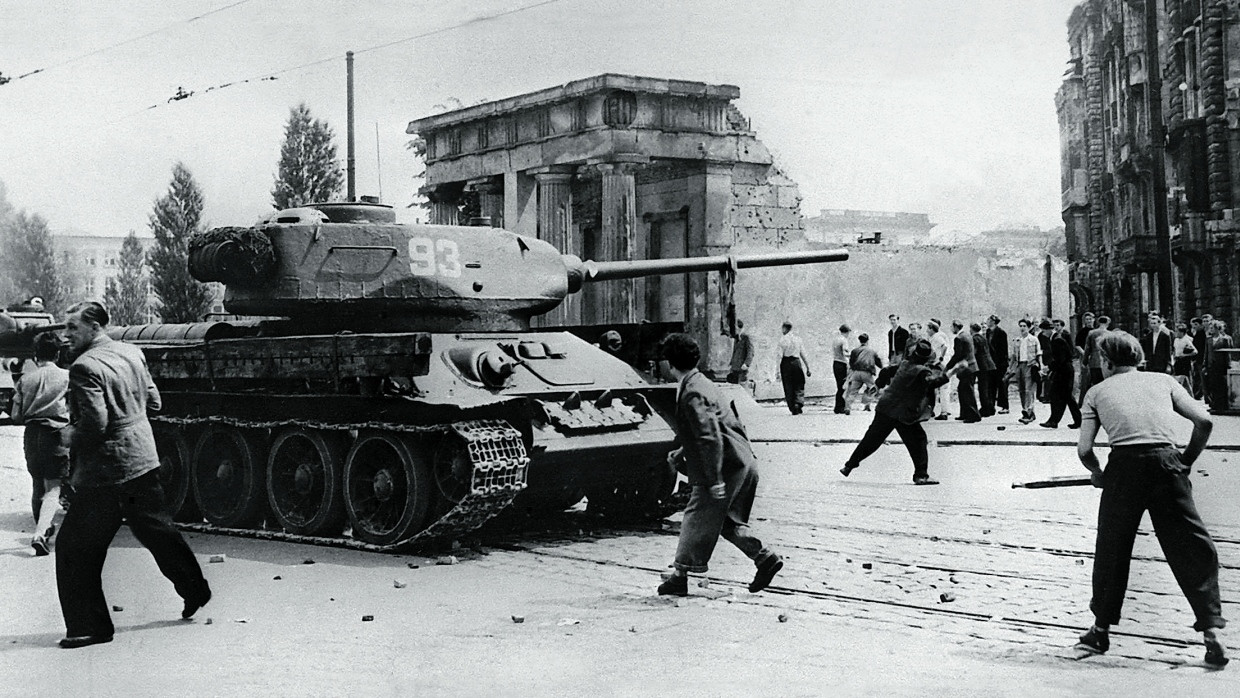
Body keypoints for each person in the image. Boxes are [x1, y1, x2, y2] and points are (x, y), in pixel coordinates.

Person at [55, 301, 211, 649]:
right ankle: (195, 589)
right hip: (143, 458)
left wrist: (69, 435)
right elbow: (154, 403)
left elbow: (95, 424)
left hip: (106, 471)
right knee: (155, 528)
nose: (65, 336)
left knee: (74, 547)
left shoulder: (84, 367)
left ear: (94, 327)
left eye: (72, 328)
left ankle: (90, 627)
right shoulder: (131, 352)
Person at [1075, 331, 1227, 666]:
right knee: (1192, 545)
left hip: (1123, 471)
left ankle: (1100, 629)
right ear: (1138, 358)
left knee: (1112, 549)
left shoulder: (1096, 392)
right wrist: (1185, 460)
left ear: (1107, 361)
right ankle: (1212, 631)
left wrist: (1098, 472)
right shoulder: (1164, 380)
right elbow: (1204, 420)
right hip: (1167, 464)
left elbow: (1085, 450)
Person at [656, 333, 782, 597]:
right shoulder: (702, 382)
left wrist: (713, 480)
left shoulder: (691, 392)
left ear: (669, 363)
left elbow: (709, 437)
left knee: (695, 515)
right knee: (722, 520)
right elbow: (714, 428)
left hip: (725, 466)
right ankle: (765, 558)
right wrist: (681, 452)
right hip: (740, 459)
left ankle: (679, 577)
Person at [840, 338, 949, 485]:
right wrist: (951, 372)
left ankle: (849, 465)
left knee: (872, 439)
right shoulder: (922, 371)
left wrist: (878, 385)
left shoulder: (904, 364)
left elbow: (886, 370)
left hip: (885, 407)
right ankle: (921, 476)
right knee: (918, 439)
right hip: (903, 413)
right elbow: (932, 383)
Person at [10, 333, 69, 556]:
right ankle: (40, 534)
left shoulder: (25, 379)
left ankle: (42, 528)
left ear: (36, 355)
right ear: (57, 353)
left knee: (37, 484)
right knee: (53, 487)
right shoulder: (67, 377)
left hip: (32, 434)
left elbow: (16, 415)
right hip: (55, 434)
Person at [1041, 318, 1081, 429]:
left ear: (1048, 330)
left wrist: (1049, 368)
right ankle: (1054, 421)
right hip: (1063, 370)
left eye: (1044, 331)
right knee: (1059, 396)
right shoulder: (1055, 338)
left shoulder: (1056, 340)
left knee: (1065, 396)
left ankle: (1076, 421)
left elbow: (1061, 359)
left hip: (1064, 371)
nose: (1043, 334)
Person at [945, 320, 980, 423]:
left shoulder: (959, 338)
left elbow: (957, 355)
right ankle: (964, 413)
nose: (951, 329)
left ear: (956, 327)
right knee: (962, 389)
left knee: (967, 392)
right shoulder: (967, 335)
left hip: (967, 368)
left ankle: (973, 415)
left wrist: (947, 367)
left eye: (952, 327)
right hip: (972, 366)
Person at [776, 321, 811, 415]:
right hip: (796, 362)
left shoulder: (782, 340)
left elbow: (779, 356)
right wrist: (808, 367)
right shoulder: (798, 339)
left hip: (786, 363)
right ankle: (798, 403)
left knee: (788, 385)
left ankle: (792, 406)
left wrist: (777, 371)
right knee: (799, 383)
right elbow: (803, 354)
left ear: (784, 328)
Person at [1012, 318, 1042, 424]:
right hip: (1020, 365)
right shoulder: (1017, 340)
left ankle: (1028, 412)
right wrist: (1011, 369)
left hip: (1030, 365)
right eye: (1021, 326)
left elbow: (1038, 354)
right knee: (1021, 390)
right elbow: (1013, 356)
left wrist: (1040, 367)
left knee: (1029, 390)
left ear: (1029, 328)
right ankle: (1026, 411)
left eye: (1024, 326)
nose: (1022, 328)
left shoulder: (1034, 339)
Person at [843, 333, 881, 415]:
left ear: (860, 341)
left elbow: (851, 362)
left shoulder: (854, 351)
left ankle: (847, 407)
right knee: (872, 388)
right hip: (867, 373)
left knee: (852, 391)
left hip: (856, 373)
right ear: (868, 340)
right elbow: (878, 362)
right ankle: (866, 404)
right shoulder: (872, 351)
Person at [1204, 319, 1233, 411]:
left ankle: (1222, 405)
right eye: (1210, 328)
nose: (1211, 330)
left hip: (1221, 366)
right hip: (1210, 366)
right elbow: (1206, 353)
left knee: (1221, 385)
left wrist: (1228, 365)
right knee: (1212, 385)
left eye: (1213, 328)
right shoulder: (1208, 340)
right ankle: (1214, 405)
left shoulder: (1224, 339)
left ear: (1217, 328)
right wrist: (1205, 365)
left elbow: (1228, 354)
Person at [1082, 315, 1112, 399]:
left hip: (1094, 361)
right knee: (1105, 384)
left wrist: (1084, 361)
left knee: (1095, 383)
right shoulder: (1110, 334)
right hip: (1106, 362)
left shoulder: (1092, 333)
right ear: (1107, 323)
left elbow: (1087, 348)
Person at [928, 319, 952, 420]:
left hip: (941, 364)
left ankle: (944, 412)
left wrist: (940, 358)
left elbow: (944, 346)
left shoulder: (937, 337)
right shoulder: (938, 335)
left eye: (928, 328)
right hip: (942, 364)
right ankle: (945, 410)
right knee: (943, 388)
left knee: (943, 388)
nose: (927, 331)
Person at [971, 322, 996, 418]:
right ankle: (990, 407)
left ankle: (985, 409)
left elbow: (975, 352)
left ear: (972, 329)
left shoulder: (975, 338)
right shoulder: (983, 337)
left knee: (983, 388)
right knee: (988, 388)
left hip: (982, 366)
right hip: (989, 364)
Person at [987, 315, 1010, 414]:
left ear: (993, 321)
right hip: (991, 363)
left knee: (1001, 385)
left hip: (1000, 363)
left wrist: (1002, 363)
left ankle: (1005, 406)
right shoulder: (988, 332)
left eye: (989, 320)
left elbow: (1003, 350)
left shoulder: (1001, 333)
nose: (987, 321)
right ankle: (991, 405)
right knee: (991, 385)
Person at [830, 324, 852, 414]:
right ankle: (840, 407)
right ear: (847, 332)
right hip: (842, 363)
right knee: (843, 386)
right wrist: (850, 358)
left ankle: (837, 406)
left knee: (839, 386)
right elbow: (845, 353)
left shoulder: (835, 340)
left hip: (835, 362)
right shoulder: (844, 340)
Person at [727, 320, 755, 386]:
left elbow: (750, 352)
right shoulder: (736, 338)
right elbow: (735, 351)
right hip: (735, 367)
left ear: (738, 328)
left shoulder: (746, 337)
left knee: (742, 385)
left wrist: (746, 364)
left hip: (742, 367)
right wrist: (732, 363)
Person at [1173, 322, 1198, 393]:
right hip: (1177, 361)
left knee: (1186, 378)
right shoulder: (1176, 340)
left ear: (1182, 332)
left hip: (1184, 362)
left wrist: (1185, 355)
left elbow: (1195, 351)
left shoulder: (1186, 340)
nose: (1176, 333)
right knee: (1178, 378)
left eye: (1177, 331)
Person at [1075, 312, 1096, 399]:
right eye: (1087, 319)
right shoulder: (1082, 332)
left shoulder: (1096, 331)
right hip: (1084, 356)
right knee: (1085, 377)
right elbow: (1077, 345)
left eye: (1090, 319)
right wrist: (1085, 354)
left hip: (1095, 356)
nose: (1089, 321)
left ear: (1093, 320)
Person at [1191, 316, 1208, 399]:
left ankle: (1202, 394)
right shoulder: (1197, 333)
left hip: (1200, 359)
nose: (1195, 326)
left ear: (1201, 325)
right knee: (1197, 377)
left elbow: (1201, 348)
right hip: (1197, 359)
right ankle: (1198, 393)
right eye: (1194, 325)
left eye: (1196, 324)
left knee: (1201, 378)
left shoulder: (1202, 334)